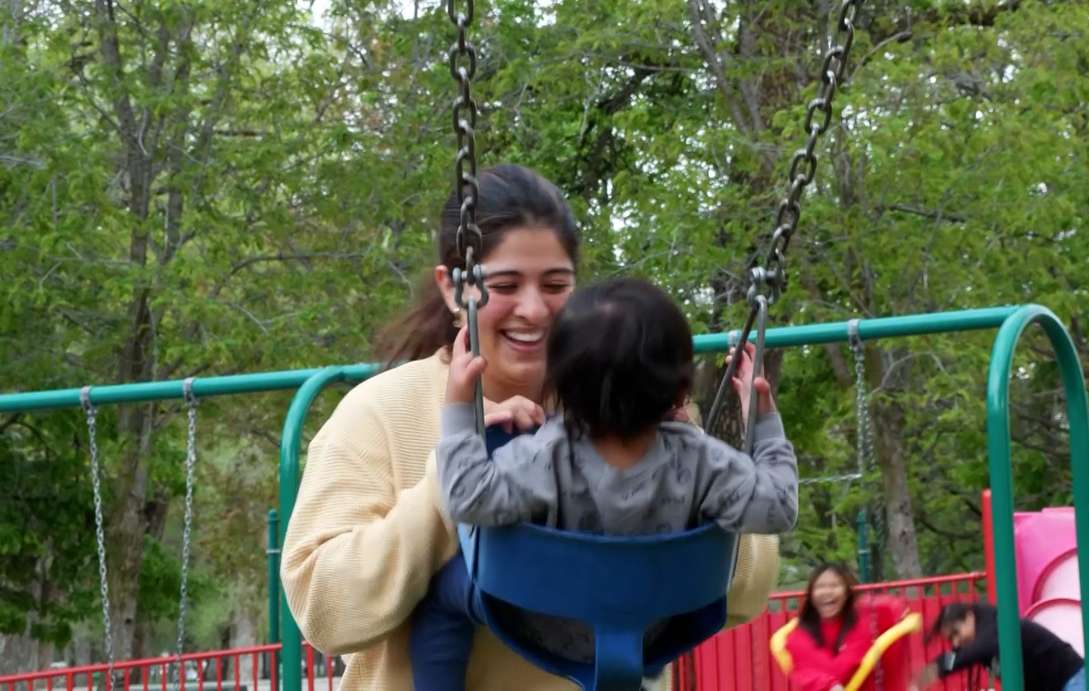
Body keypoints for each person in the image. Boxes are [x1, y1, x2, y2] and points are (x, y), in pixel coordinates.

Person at [279, 164, 785, 690]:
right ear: (454, 291)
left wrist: (692, 465)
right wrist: (442, 489)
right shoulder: (382, 413)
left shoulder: (634, 401)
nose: (533, 309)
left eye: (555, 284)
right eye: (504, 284)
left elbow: (745, 593)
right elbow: (325, 612)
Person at [409, 277, 799, 690]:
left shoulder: (543, 454)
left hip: (542, 622)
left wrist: (457, 407)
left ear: (559, 382)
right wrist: (763, 424)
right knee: (637, 588)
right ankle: (629, 662)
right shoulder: (705, 460)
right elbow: (779, 505)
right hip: (654, 628)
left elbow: (466, 498)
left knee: (440, 601)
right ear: (681, 390)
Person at [915, 602, 1085, 691]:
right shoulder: (981, 638)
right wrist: (937, 666)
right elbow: (961, 654)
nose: (956, 642)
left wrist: (940, 667)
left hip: (1071, 678)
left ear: (969, 617)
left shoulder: (995, 627)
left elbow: (980, 648)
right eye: (951, 639)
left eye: (956, 633)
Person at [778, 563, 879, 691]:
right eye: (820, 586)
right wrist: (828, 684)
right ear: (811, 595)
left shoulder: (860, 624)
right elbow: (811, 673)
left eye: (834, 585)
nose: (827, 592)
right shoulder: (798, 636)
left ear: (847, 592)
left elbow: (841, 669)